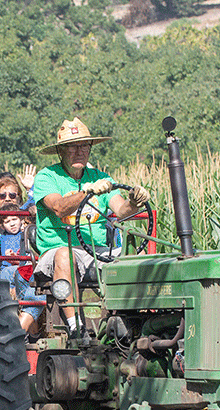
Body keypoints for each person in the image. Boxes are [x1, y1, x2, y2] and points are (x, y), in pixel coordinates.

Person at [31, 117, 149, 333]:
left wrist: (135, 202)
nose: (79, 151)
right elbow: (58, 207)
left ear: (90, 148)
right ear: (61, 151)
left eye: (84, 145)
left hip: (98, 251)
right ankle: (76, 326)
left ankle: (137, 324)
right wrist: (88, 192)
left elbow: (121, 211)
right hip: (58, 249)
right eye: (72, 146)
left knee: (137, 258)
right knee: (64, 255)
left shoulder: (100, 177)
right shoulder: (47, 177)